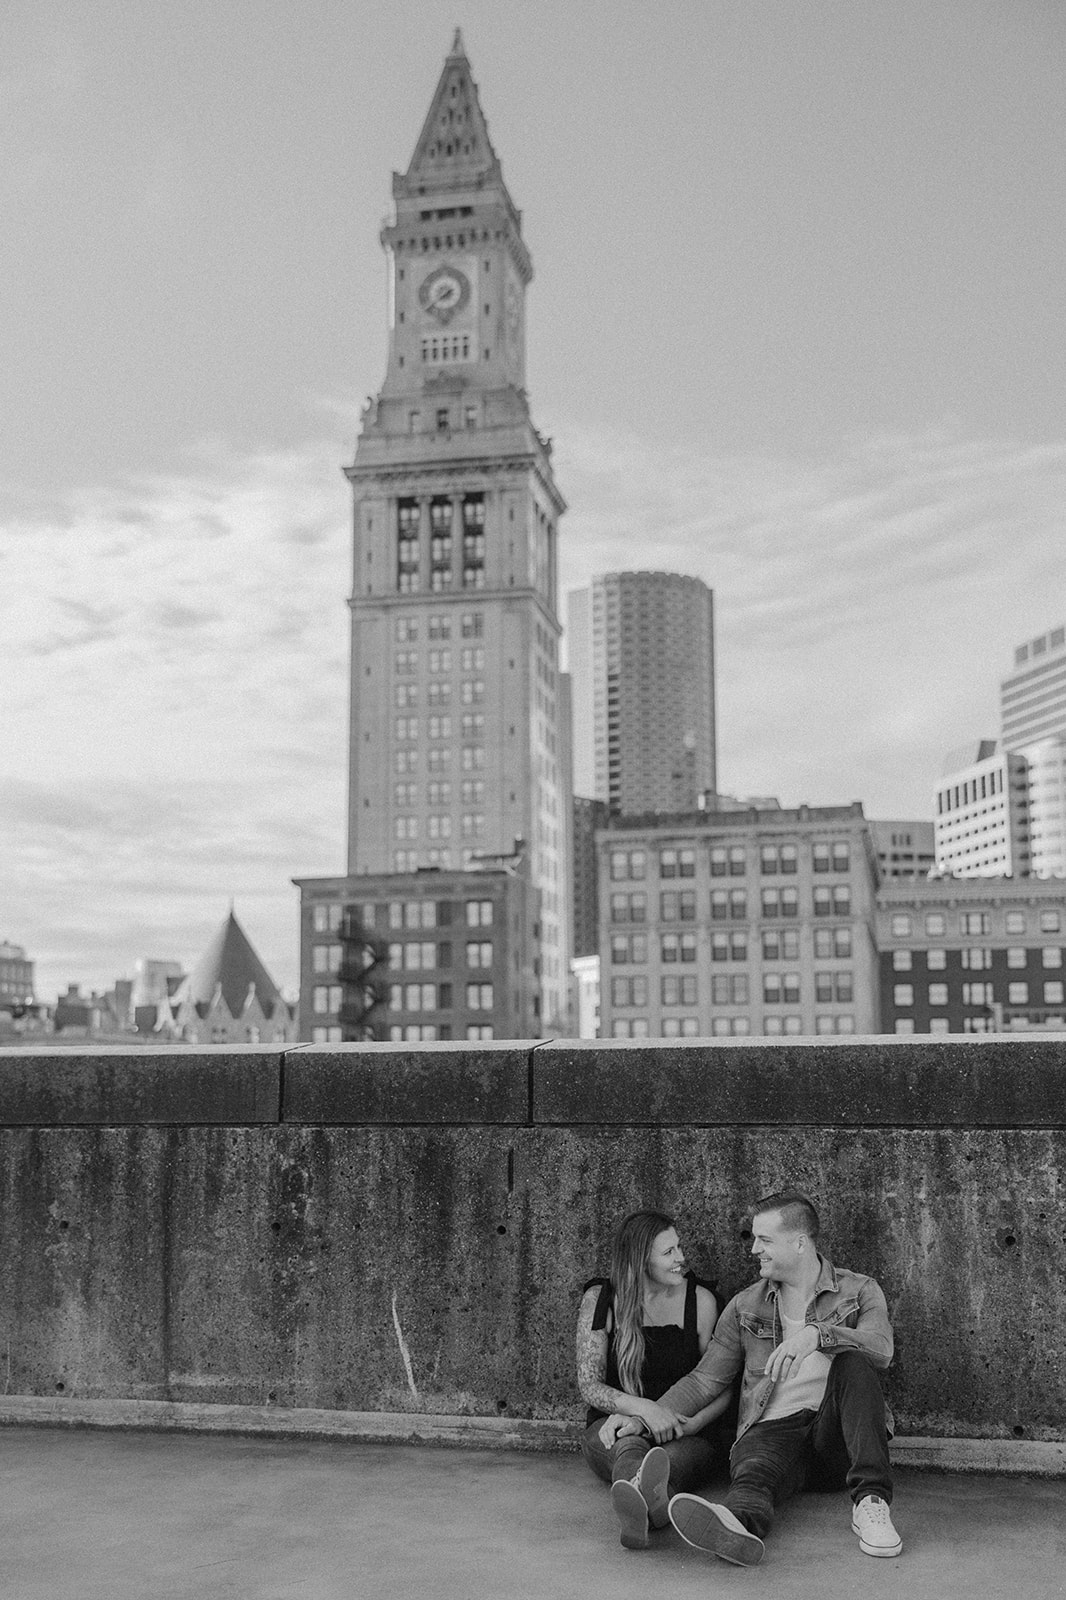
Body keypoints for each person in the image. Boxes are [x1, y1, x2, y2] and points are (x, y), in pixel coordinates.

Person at [618, 1189, 901, 1565]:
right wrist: (645, 1416)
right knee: (752, 1480)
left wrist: (818, 1335)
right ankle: (735, 1526)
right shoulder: (745, 1305)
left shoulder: (859, 1290)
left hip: (837, 1437)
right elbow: (705, 1380)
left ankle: (871, 1503)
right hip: (772, 1430)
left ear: (800, 1243)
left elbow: (881, 1349)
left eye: (764, 1240)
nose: (754, 1249)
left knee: (855, 1364)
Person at [576, 1209, 734, 1551]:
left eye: (678, 1247)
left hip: (685, 1430)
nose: (681, 1258)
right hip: (612, 1425)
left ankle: (640, 1507)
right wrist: (645, 1411)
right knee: (626, 1447)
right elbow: (589, 1385)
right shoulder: (601, 1301)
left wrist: (691, 1425)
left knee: (667, 1464)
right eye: (668, 1252)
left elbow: (721, 1384)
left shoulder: (701, 1302)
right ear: (639, 1260)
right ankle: (653, 1505)